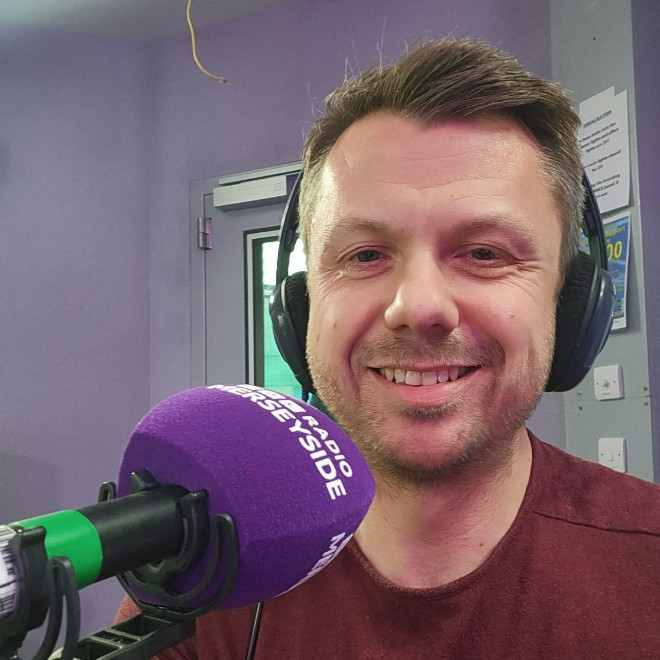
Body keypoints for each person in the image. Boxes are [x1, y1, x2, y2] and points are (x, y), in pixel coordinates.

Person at [117, 37, 660, 658]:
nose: (418, 307)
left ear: (570, 302)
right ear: (301, 307)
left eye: (485, 253)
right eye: (365, 255)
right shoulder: (204, 572)